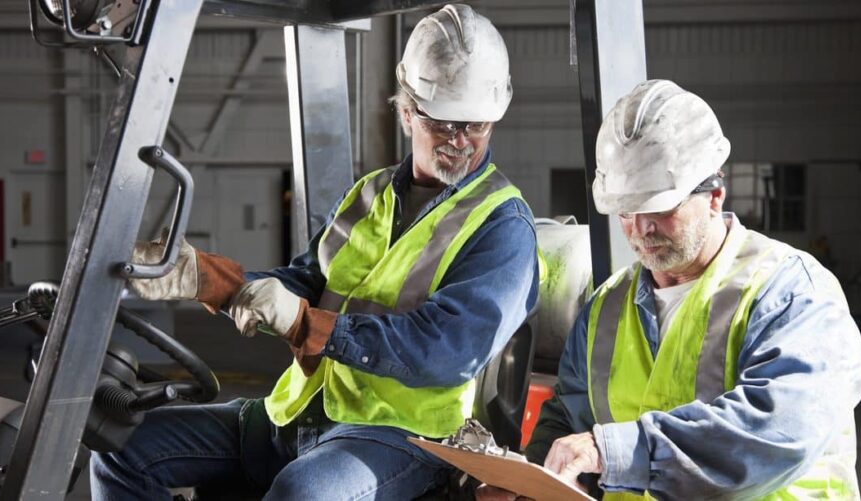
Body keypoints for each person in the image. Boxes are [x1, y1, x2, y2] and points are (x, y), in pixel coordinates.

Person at [90, 4, 539, 500]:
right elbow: (308, 283)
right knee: (120, 448)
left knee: (304, 493)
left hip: (402, 437)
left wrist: (308, 326)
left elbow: (449, 350)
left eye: (474, 125)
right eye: (443, 122)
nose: (459, 141)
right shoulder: (371, 194)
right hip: (301, 411)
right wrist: (210, 280)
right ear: (408, 110)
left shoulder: (502, 225)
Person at [479, 79, 861, 500]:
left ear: (715, 195)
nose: (642, 228)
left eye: (661, 208)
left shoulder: (787, 293)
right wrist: (529, 483)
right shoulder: (605, 309)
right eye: (627, 210)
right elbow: (567, 418)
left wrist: (612, 453)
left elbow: (778, 430)